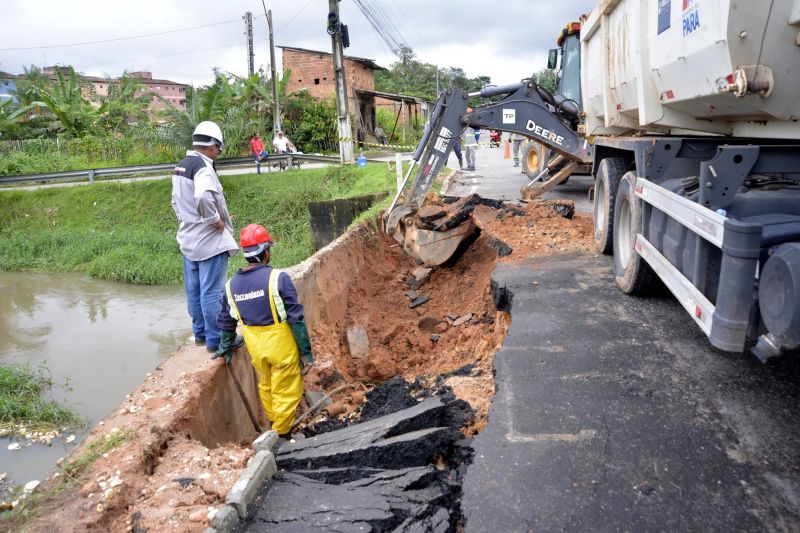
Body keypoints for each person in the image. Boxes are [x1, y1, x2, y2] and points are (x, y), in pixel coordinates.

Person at [215, 224, 314, 438]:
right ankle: (283, 433)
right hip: (280, 345)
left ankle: (273, 423)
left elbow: (226, 320)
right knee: (285, 387)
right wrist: (306, 352)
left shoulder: (230, 286)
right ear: (266, 252)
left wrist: (225, 345)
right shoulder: (278, 278)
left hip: (256, 348)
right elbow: (296, 319)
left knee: (267, 384)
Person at [171, 121, 239, 353]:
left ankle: (200, 334)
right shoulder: (203, 167)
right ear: (212, 146)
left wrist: (190, 219)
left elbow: (175, 201)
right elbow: (202, 196)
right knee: (212, 292)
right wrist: (214, 220)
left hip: (188, 240)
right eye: (218, 148)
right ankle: (217, 339)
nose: (218, 153)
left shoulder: (181, 166)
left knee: (194, 290)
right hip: (209, 242)